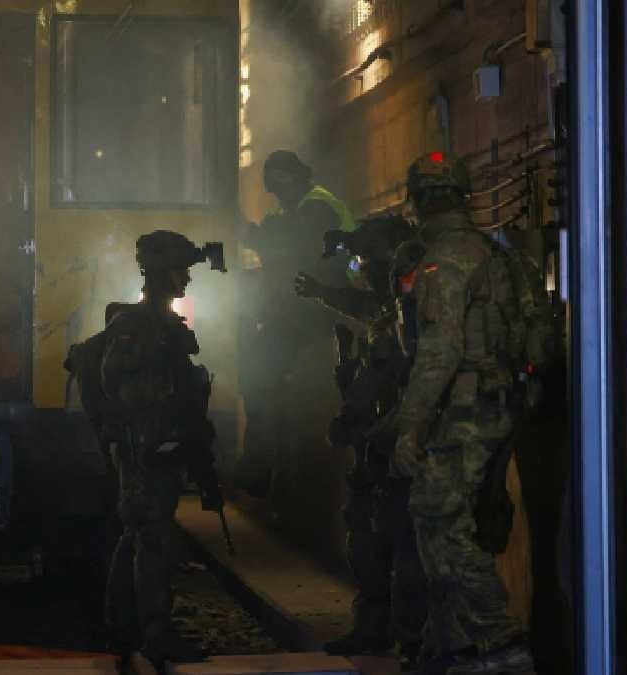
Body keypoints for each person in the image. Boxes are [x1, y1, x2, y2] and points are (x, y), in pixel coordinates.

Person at [389, 156, 535, 674]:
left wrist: (410, 426)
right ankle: (450, 646)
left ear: (418, 201)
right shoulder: (498, 255)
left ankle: (498, 643)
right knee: (456, 520)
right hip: (502, 402)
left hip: (467, 409)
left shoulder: (445, 259)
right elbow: (531, 338)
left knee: (438, 518)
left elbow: (440, 349)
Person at [64, 230, 227, 667]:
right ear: (160, 274)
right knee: (153, 540)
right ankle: (155, 635)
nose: (186, 278)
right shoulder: (137, 327)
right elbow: (124, 389)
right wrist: (152, 436)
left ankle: (120, 629)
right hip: (145, 450)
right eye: (181, 270)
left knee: (137, 534)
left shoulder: (161, 324)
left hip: (156, 447)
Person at [293, 213, 431, 665]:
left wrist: (379, 428)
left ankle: (413, 639)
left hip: (408, 446)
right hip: (378, 443)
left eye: (371, 262)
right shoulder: (387, 308)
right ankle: (373, 627)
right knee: (367, 540)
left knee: (408, 546)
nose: (366, 271)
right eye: (363, 263)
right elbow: (362, 309)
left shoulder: (423, 311)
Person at [233, 150, 357, 501]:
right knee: (259, 373)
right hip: (301, 308)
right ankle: (266, 466)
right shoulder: (288, 212)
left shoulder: (317, 208)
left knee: (262, 375)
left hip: (321, 309)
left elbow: (298, 252)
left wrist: (254, 235)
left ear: (295, 180)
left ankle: (262, 466)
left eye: (281, 186)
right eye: (275, 189)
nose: (278, 194)